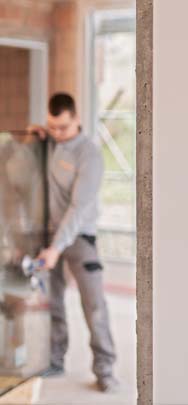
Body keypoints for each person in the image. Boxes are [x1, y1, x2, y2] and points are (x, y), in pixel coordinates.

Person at [28, 93, 118, 392]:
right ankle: (54, 359)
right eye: (52, 127)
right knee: (52, 301)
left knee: (94, 304)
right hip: (49, 234)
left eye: (63, 128)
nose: (58, 133)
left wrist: (56, 248)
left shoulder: (89, 154)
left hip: (79, 236)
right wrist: (38, 137)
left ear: (77, 119)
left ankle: (105, 369)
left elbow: (79, 208)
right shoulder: (51, 142)